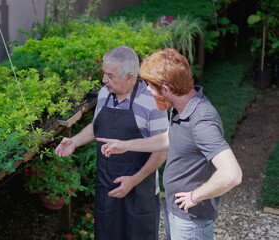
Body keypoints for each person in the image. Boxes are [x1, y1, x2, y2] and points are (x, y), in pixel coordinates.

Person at [97, 48, 242, 240]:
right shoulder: (182, 109)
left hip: (191, 220)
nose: (147, 90)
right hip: (177, 211)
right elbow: (168, 138)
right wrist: (126, 145)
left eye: (150, 85)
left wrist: (195, 196)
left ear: (165, 88)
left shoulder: (201, 121)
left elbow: (232, 174)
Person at [55, 46, 169, 240]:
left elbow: (162, 149)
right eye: (104, 74)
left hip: (140, 192)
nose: (103, 80)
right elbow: (97, 126)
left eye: (110, 75)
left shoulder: (152, 102)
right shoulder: (104, 94)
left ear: (130, 77)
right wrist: (74, 141)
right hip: (107, 190)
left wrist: (134, 180)